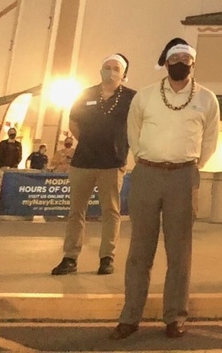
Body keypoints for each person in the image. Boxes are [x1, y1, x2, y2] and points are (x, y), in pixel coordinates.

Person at [111, 38, 219, 341]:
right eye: (176, 58)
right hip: (147, 174)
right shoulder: (145, 97)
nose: (181, 62)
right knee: (139, 250)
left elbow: (210, 139)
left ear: (193, 63)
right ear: (167, 62)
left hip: (183, 177)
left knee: (179, 251)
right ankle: (130, 316)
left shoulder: (207, 99)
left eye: (186, 58)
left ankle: (175, 317)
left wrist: (190, 165)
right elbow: (133, 132)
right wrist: (145, 159)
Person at [52, 54, 135, 277]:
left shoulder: (131, 98)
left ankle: (107, 258)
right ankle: (70, 258)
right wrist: (89, 142)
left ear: (124, 73)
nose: (110, 71)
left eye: (115, 68)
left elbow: (138, 127)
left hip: (112, 164)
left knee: (111, 212)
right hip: (83, 162)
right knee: (76, 212)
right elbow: (73, 123)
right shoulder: (86, 94)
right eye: (106, 67)